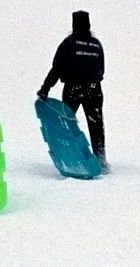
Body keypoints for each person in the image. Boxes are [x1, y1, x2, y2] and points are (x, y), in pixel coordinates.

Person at [36, 10, 108, 173]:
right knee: (96, 125)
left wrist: (45, 88)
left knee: (66, 122)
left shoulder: (69, 43)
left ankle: (70, 157)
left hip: (73, 88)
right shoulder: (97, 44)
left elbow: (57, 68)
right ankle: (100, 159)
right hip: (94, 89)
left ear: (74, 25)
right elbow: (101, 69)